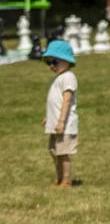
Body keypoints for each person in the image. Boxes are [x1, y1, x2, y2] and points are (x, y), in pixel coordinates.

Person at [43, 40, 79, 188]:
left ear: (66, 60)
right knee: (54, 151)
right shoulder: (59, 77)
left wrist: (61, 121)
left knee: (63, 152)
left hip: (64, 125)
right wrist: (49, 118)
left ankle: (66, 179)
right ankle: (59, 178)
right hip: (56, 123)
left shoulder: (69, 77)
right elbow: (55, 102)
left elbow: (67, 100)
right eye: (49, 62)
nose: (52, 65)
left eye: (55, 61)